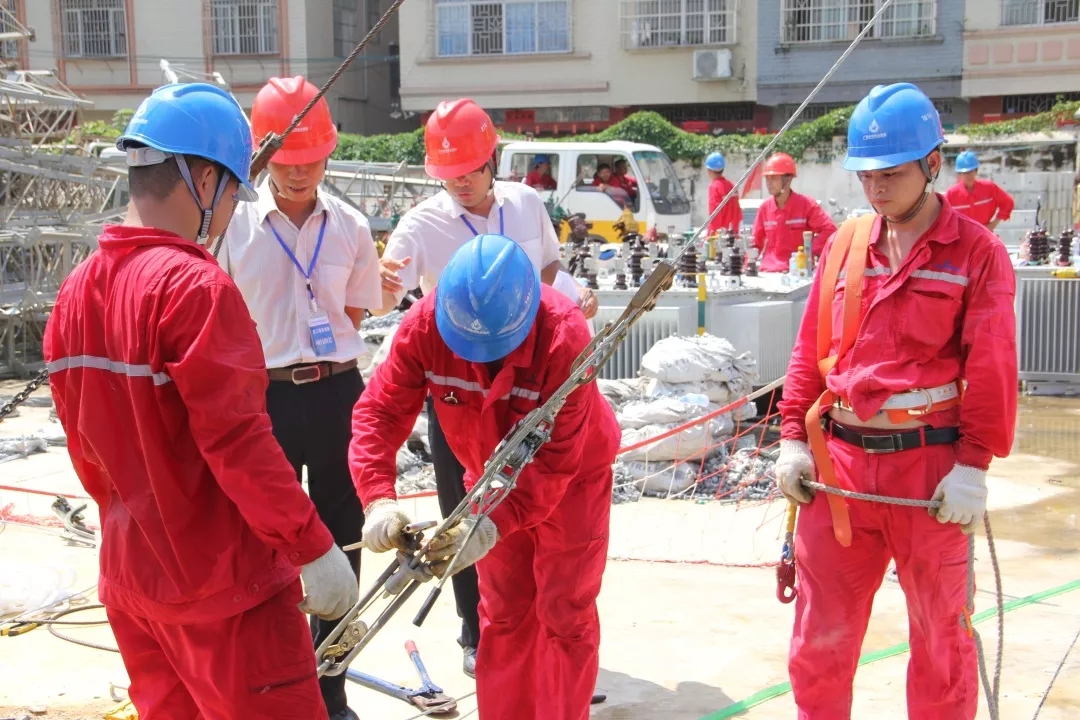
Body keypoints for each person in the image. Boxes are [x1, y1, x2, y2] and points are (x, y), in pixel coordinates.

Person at [42, 83, 359, 718]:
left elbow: (88, 450)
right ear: (204, 178)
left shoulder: (76, 291)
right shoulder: (193, 286)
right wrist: (312, 547)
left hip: (135, 583)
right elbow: (238, 440)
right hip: (226, 593)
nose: (235, 201)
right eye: (235, 186)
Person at [774, 82, 1017, 719]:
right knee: (820, 637)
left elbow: (991, 366)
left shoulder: (977, 253)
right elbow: (810, 350)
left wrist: (974, 465)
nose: (876, 189)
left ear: (932, 165)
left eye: (891, 173)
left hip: (929, 473)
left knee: (942, 641)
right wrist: (793, 440)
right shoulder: (846, 245)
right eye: (866, 175)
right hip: (842, 471)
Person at [350, 233, 620, 720]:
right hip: (489, 479)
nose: (478, 361)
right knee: (504, 612)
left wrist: (492, 525)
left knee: (565, 612)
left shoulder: (564, 335)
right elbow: (379, 414)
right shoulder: (426, 324)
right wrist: (378, 499)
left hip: (573, 476)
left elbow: (556, 459)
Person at [375, 97, 597, 678]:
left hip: (528, 383)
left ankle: (551, 650)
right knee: (462, 515)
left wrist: (560, 315)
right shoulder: (421, 224)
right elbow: (381, 299)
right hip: (459, 391)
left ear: (491, 159)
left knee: (539, 522)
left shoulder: (525, 205)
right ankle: (478, 633)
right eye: (449, 176)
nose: (461, 184)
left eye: (470, 171)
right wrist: (377, 495)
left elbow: (548, 274)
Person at [217, 75, 381, 720]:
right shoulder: (232, 229)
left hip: (339, 391)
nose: (298, 174)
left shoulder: (351, 225)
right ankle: (277, 685)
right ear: (264, 153)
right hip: (265, 400)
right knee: (268, 541)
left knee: (345, 540)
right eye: (285, 162)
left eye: (311, 160)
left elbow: (355, 313)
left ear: (329, 153)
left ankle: (331, 688)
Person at [751, 152, 837, 272]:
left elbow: (830, 230)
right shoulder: (765, 208)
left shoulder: (807, 205)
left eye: (774, 178)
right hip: (768, 272)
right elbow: (755, 242)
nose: (769, 183)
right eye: (767, 178)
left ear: (788, 179)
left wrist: (810, 251)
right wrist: (747, 265)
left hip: (798, 273)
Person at [944, 150, 1015, 233]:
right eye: (964, 172)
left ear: (976, 170)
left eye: (971, 171)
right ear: (959, 174)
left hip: (985, 237)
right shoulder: (951, 194)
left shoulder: (989, 187)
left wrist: (993, 224)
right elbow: (941, 217)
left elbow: (1008, 202)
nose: (968, 175)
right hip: (961, 239)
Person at [704, 151, 741, 236]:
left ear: (709, 170)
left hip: (720, 238)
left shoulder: (714, 187)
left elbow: (715, 214)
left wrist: (710, 235)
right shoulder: (732, 186)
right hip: (734, 235)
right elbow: (738, 213)